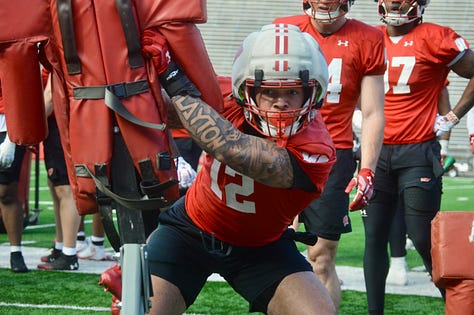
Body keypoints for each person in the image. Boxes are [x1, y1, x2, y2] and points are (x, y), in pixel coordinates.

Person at [144, 24, 337, 315]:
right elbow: (162, 110)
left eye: (294, 91)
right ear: (247, 90)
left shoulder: (316, 150)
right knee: (140, 308)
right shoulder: (224, 95)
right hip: (189, 232)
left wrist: (172, 75)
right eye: (269, 91)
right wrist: (142, 70)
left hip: (261, 247)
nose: (281, 101)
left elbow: (232, 148)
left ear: (313, 91)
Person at [363, 1, 474, 313]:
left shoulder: (436, 37)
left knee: (423, 238)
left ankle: (455, 304)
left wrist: (452, 117)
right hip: (376, 151)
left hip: (418, 150)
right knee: (374, 236)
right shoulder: (368, 36)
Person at [273, 0, 386, 309]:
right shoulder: (284, 29)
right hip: (282, 150)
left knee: (322, 257)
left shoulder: (369, 38)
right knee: (272, 252)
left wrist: (368, 169)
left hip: (332, 155)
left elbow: (374, 112)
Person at [37, 72, 81, 271]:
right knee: (55, 186)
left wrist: (27, 124)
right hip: (58, 121)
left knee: (65, 189)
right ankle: (61, 245)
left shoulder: (56, 51)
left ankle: (69, 253)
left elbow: (49, 96)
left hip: (63, 120)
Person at [0, 82, 29, 273]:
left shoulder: (14, 51)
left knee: (6, 192)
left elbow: (22, 90)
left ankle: (15, 251)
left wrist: (12, 135)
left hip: (7, 123)